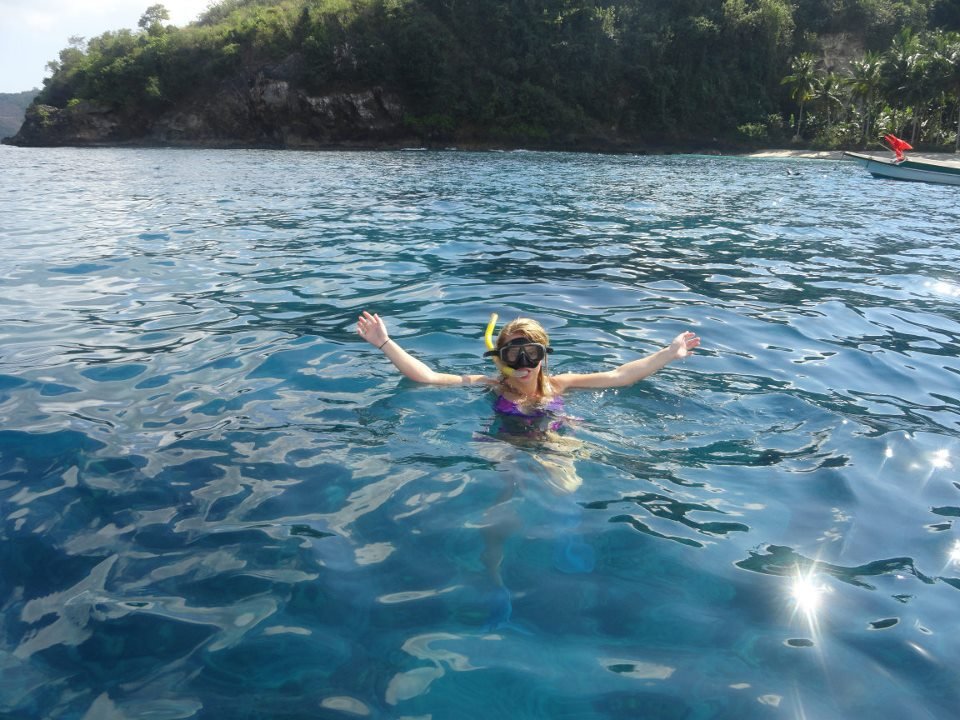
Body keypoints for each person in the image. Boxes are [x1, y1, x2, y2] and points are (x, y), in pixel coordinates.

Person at [355, 310, 700, 412]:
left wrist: (670, 353)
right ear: (500, 359)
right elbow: (428, 377)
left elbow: (620, 375)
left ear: (543, 357)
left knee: (567, 477)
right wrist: (383, 341)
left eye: (532, 354)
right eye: (513, 354)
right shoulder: (490, 385)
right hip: (505, 443)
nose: (523, 363)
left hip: (553, 434)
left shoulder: (560, 383)